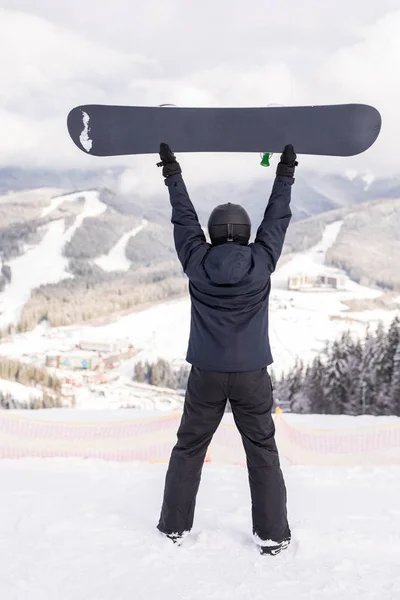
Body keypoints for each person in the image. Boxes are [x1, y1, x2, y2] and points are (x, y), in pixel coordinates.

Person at [156, 142, 297, 555]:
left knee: (189, 447)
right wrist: (286, 171)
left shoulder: (196, 261)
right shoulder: (261, 260)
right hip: (253, 374)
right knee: (262, 451)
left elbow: (183, 217)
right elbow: (278, 218)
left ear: (213, 233)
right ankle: (272, 536)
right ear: (247, 232)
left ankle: (174, 526)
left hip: (206, 374)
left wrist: (171, 171)